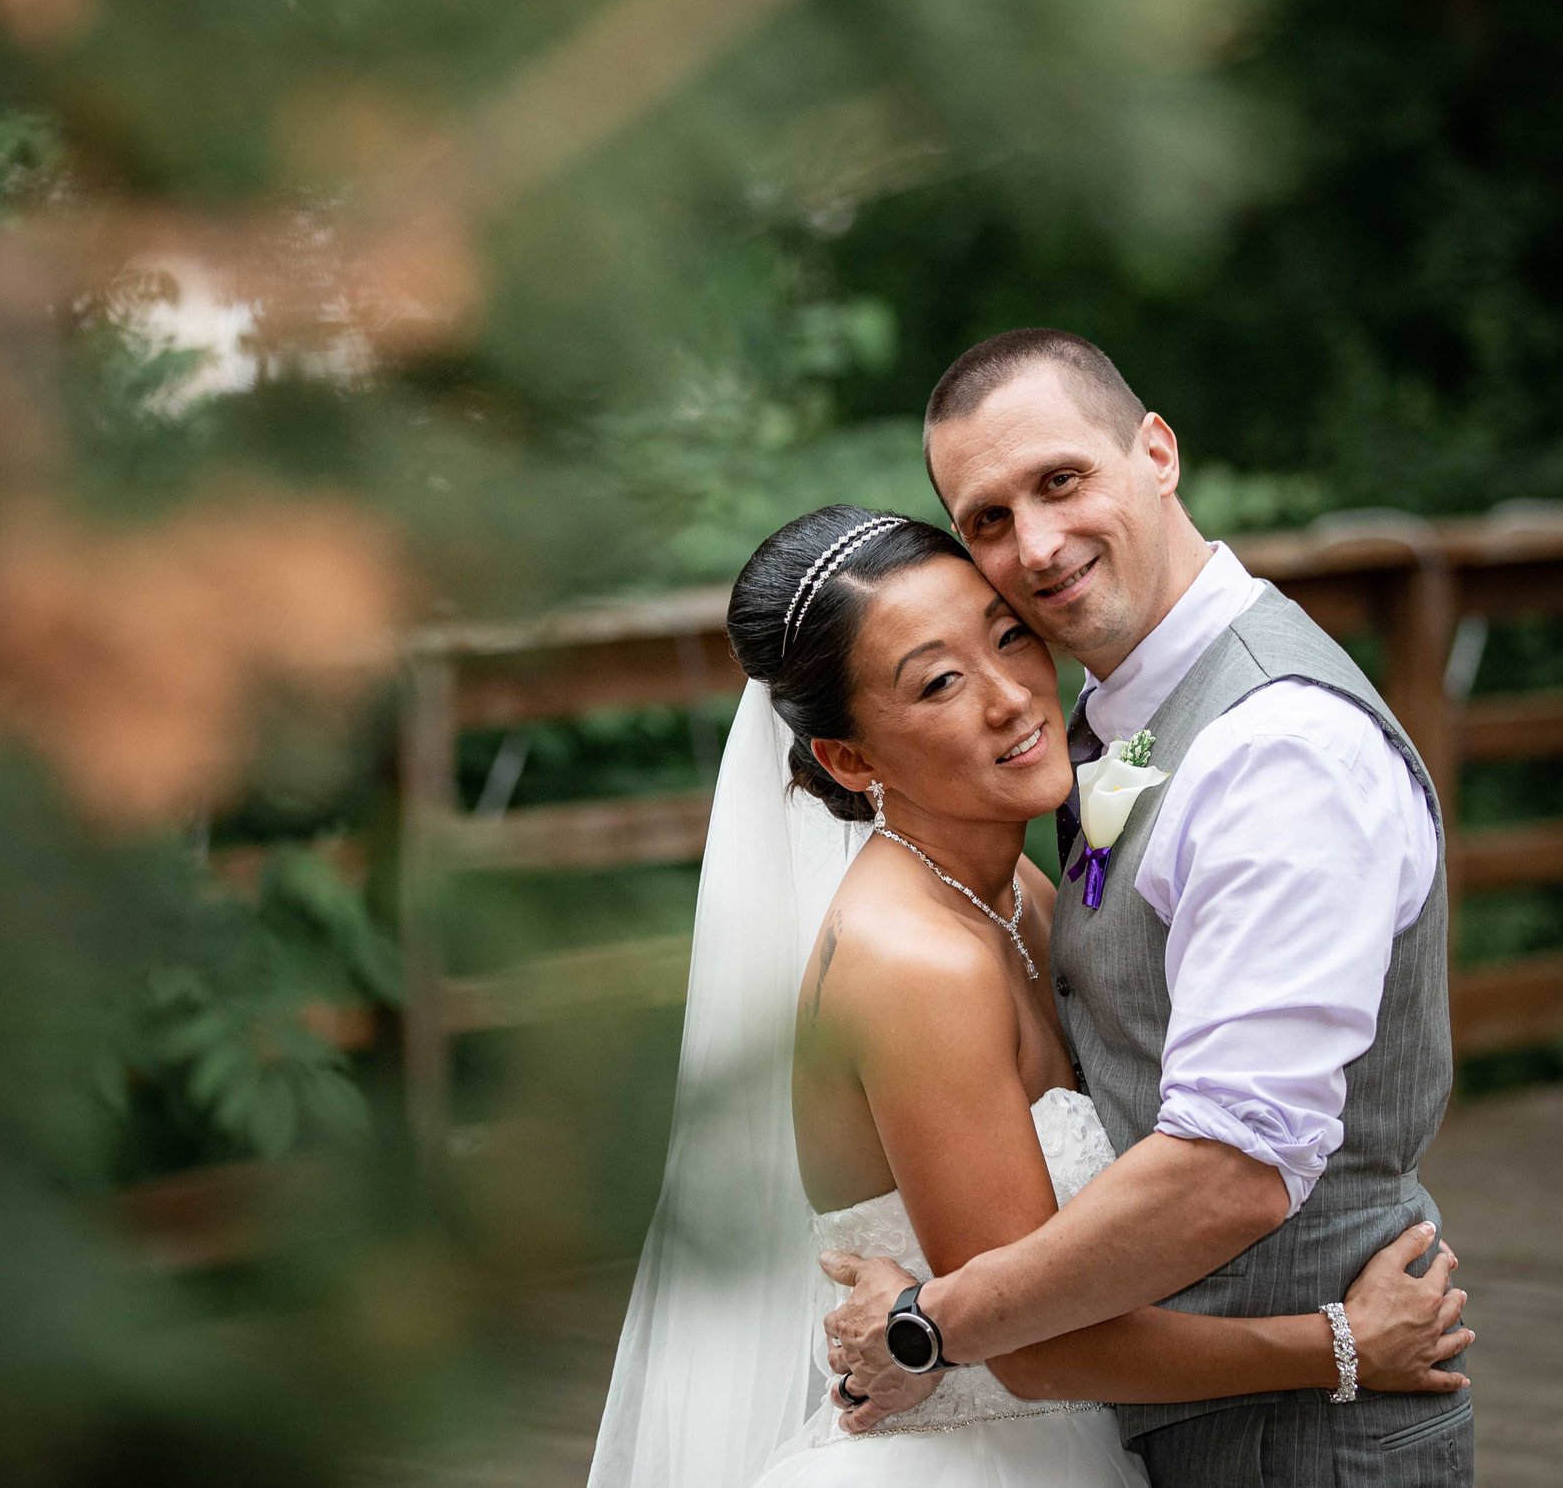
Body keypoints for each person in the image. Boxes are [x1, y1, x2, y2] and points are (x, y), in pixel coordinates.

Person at [586, 501, 1470, 1488]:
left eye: (1008, 636)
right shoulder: (916, 962)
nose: (1010, 695)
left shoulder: (1020, 893)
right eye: (939, 682)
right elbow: (1031, 1346)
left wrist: (918, 1303)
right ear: (849, 757)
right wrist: (1342, 1343)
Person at [822, 330, 1472, 1484]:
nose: (1035, 544)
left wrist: (936, 1320)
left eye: (1061, 480)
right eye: (986, 518)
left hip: (1306, 1443)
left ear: (1156, 450)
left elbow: (1230, 1164)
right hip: (1154, 1419)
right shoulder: (1101, 724)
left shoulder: (1280, 749)